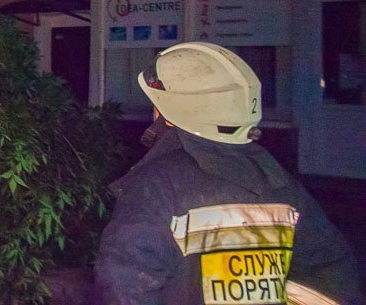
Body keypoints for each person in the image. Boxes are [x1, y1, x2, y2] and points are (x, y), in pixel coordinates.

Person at [95, 41, 361, 305]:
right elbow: (331, 272)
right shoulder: (277, 181)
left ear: (172, 113)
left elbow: (125, 286)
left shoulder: (155, 186)